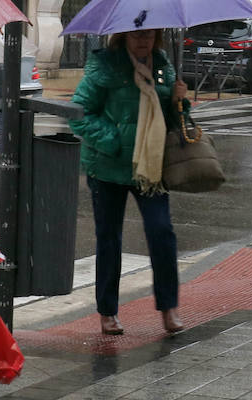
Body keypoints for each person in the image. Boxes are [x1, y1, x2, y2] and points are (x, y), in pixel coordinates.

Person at [70, 28, 189, 336]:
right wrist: (114, 142)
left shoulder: (163, 65)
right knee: (109, 239)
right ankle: (107, 311)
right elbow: (79, 112)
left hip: (150, 168)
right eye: (136, 35)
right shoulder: (105, 66)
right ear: (123, 36)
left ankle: (169, 306)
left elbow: (175, 121)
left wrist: (181, 102)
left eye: (148, 36)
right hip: (108, 167)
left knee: (162, 232)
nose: (143, 41)